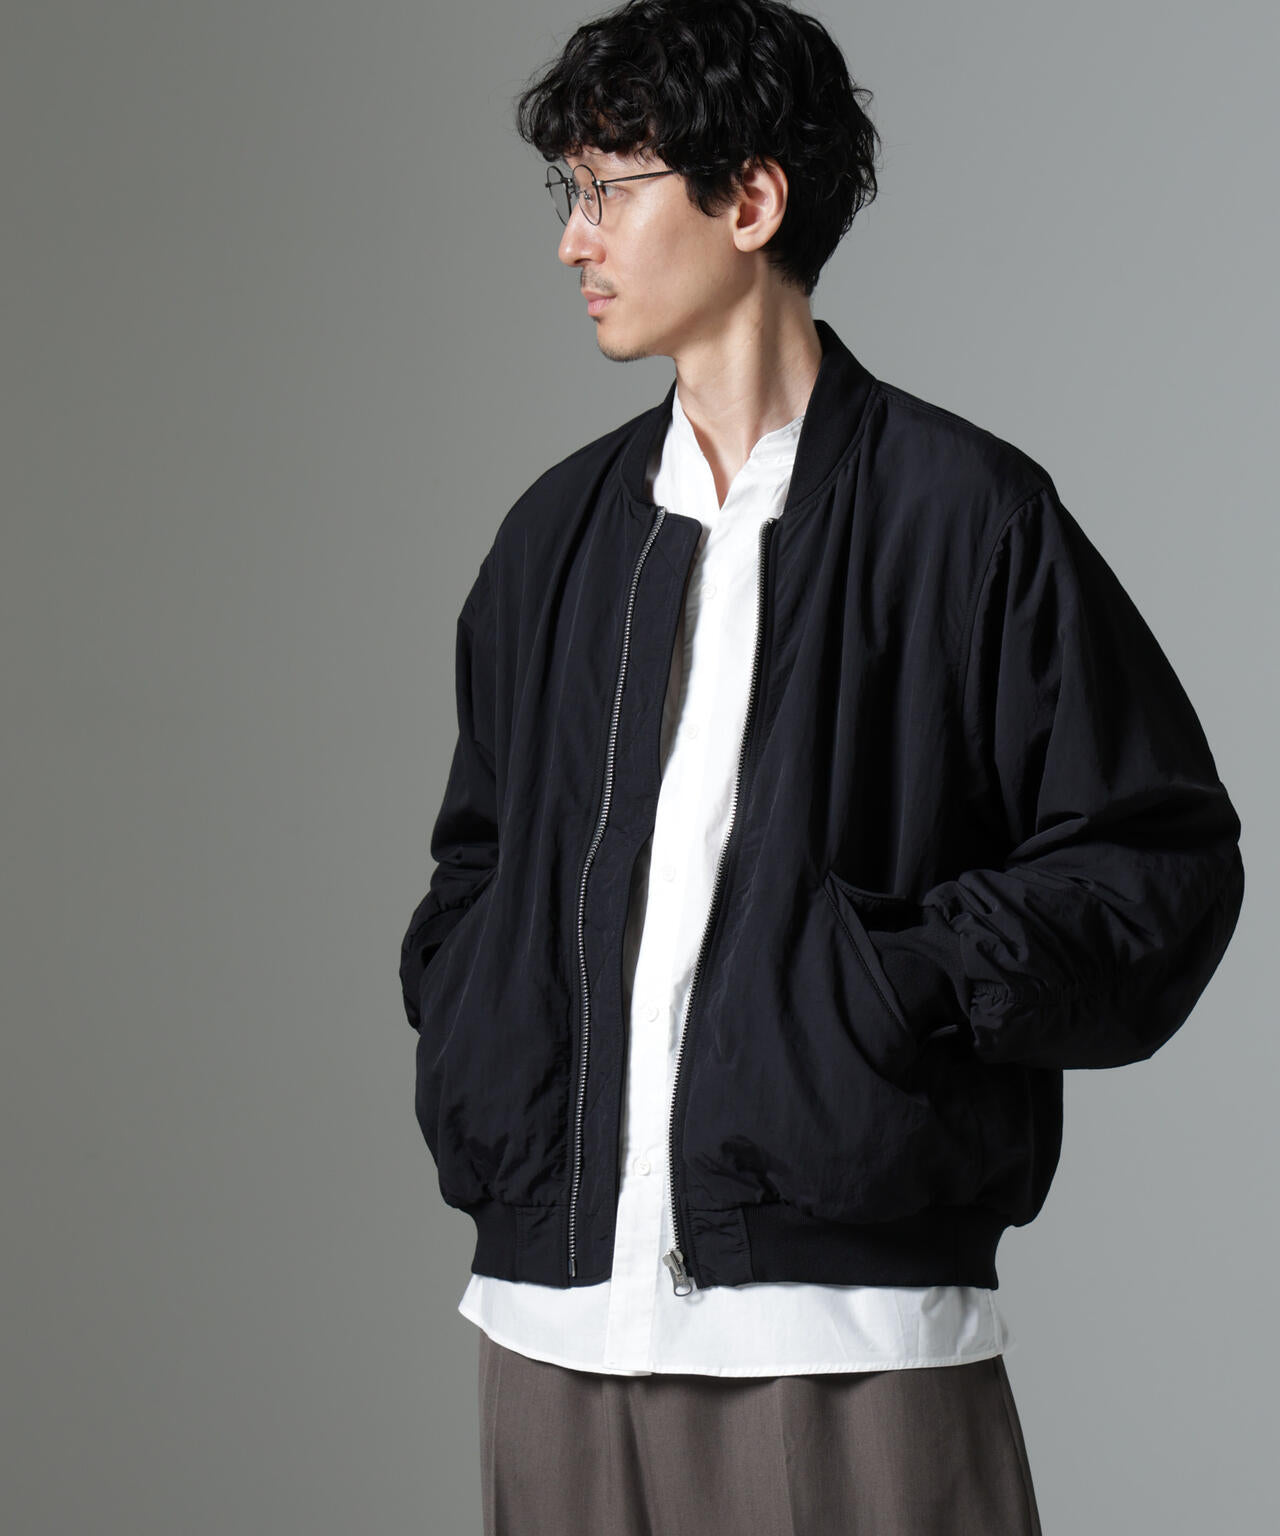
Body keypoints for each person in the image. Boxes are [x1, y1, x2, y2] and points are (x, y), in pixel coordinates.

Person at [398, 2, 1246, 1531]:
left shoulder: (964, 516)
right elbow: (479, 865)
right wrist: (484, 1022)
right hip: (551, 1321)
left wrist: (892, 991)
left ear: (750, 200)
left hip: (839, 1335)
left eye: (610, 190)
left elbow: (1155, 860)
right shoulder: (553, 539)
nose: (574, 239)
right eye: (568, 194)